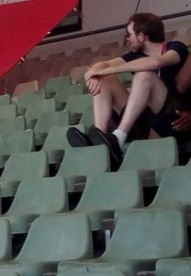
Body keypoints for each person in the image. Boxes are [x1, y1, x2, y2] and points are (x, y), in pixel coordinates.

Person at [67, 12, 191, 168]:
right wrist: (93, 74)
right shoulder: (136, 55)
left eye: (129, 34)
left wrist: (106, 70)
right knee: (106, 81)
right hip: (148, 120)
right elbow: (104, 64)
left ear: (141, 36)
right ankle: (101, 141)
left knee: (144, 76)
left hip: (174, 121)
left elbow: (156, 62)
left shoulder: (175, 47)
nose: (127, 39)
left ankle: (118, 137)